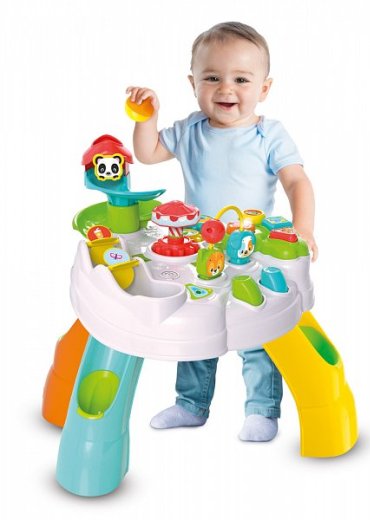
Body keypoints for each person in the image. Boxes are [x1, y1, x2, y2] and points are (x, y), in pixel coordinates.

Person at [126, 21, 318, 442]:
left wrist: (303, 228)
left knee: (257, 333)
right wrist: (148, 118)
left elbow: (297, 182)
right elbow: (147, 153)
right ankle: (190, 405)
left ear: (264, 88)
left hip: (251, 251)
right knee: (198, 327)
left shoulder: (269, 134)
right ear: (193, 83)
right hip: (199, 252)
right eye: (212, 77)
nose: (226, 88)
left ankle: (262, 409)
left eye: (241, 80)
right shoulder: (190, 129)